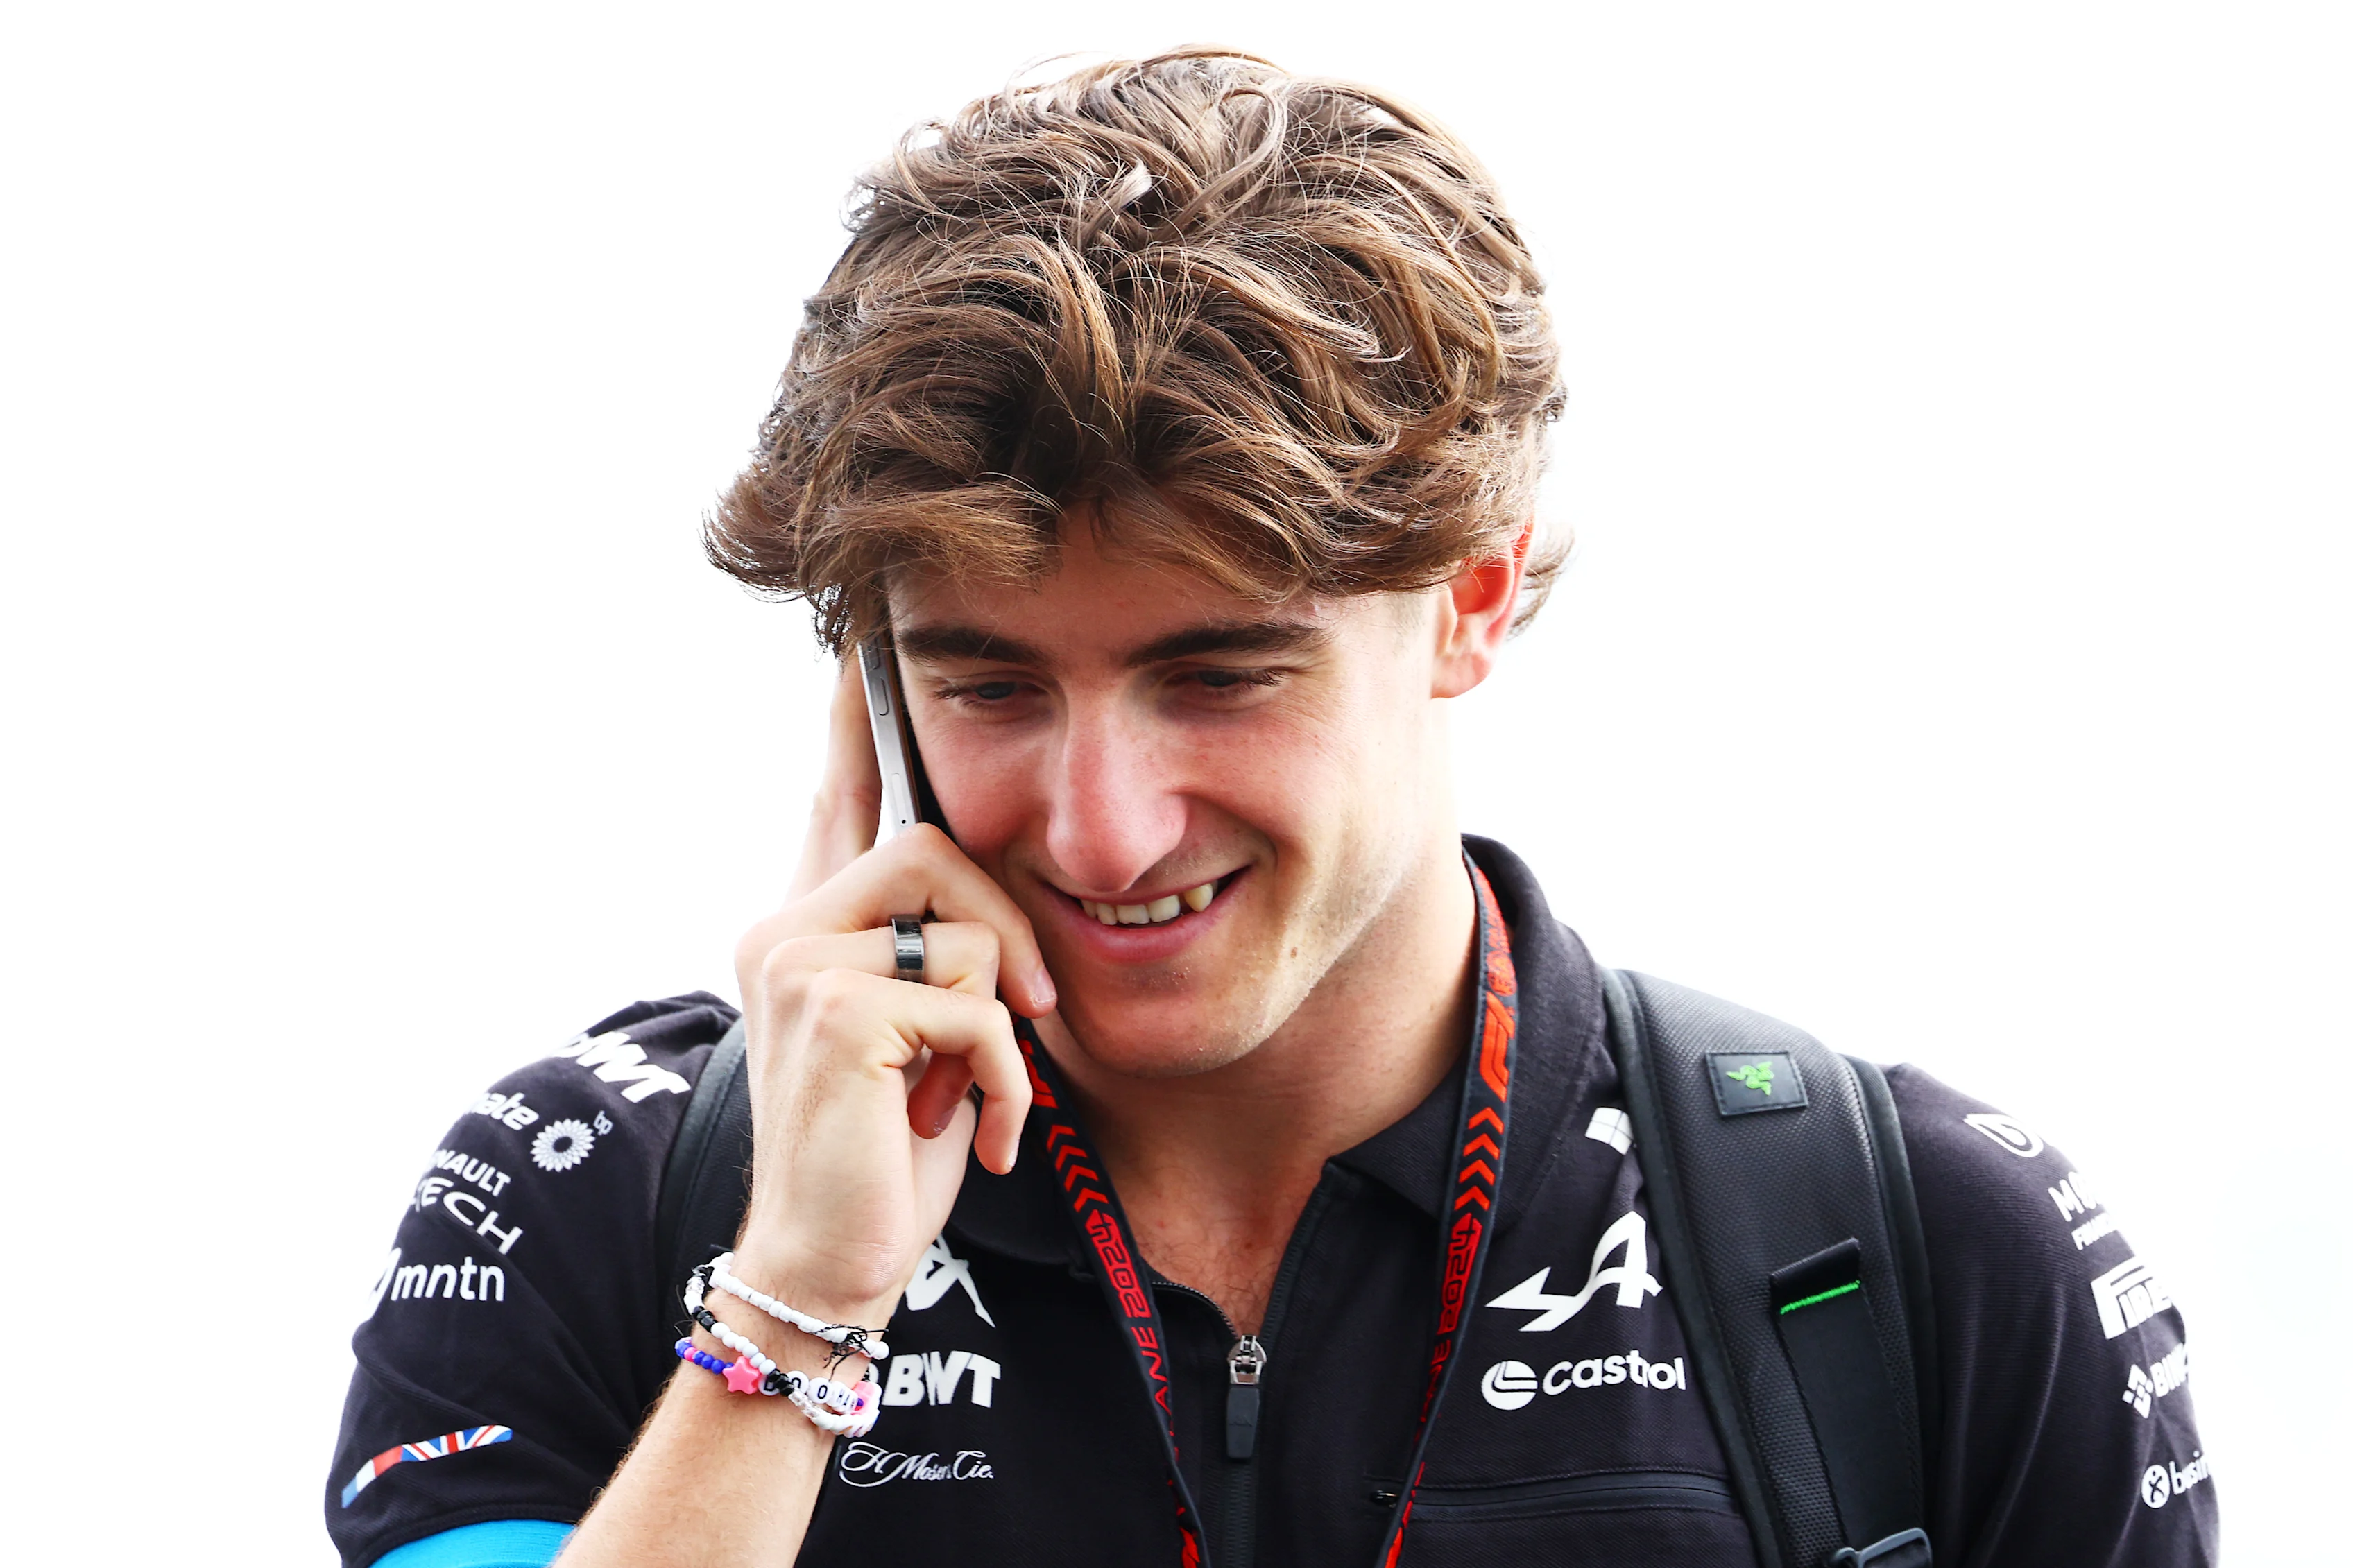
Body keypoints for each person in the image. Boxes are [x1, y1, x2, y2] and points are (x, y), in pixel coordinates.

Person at [326, 49, 2216, 1568]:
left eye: (1220, 672)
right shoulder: (591, 1197)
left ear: (1467, 600)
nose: (1102, 827)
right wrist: (799, 1308)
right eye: (986, 680)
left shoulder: (1908, 1242)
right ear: (870, 683)